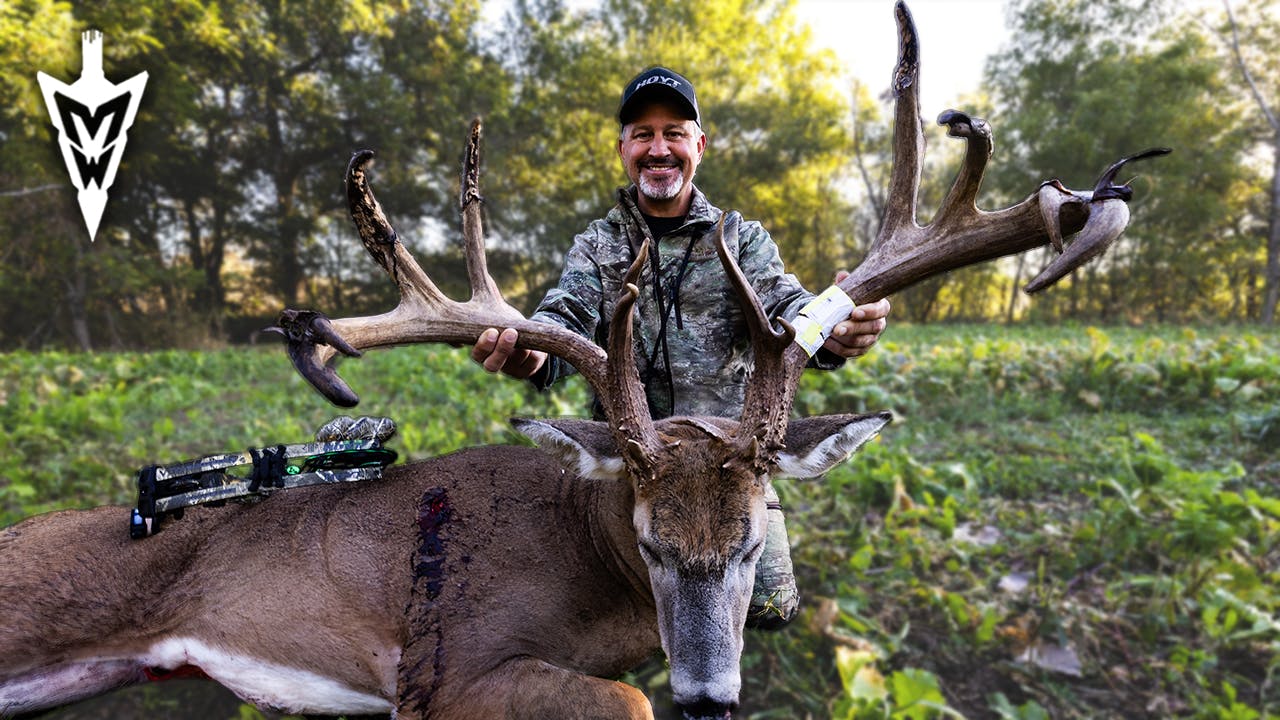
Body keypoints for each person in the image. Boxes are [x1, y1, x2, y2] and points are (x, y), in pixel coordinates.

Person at [472, 66, 890, 628]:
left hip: (732, 463)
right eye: (642, 134)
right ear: (623, 148)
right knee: (598, 604)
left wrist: (835, 330)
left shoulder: (741, 240)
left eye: (674, 132)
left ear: (700, 145)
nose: (658, 148)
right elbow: (562, 321)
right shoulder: (600, 245)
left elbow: (792, 312)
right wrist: (529, 352)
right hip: (635, 461)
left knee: (769, 608)